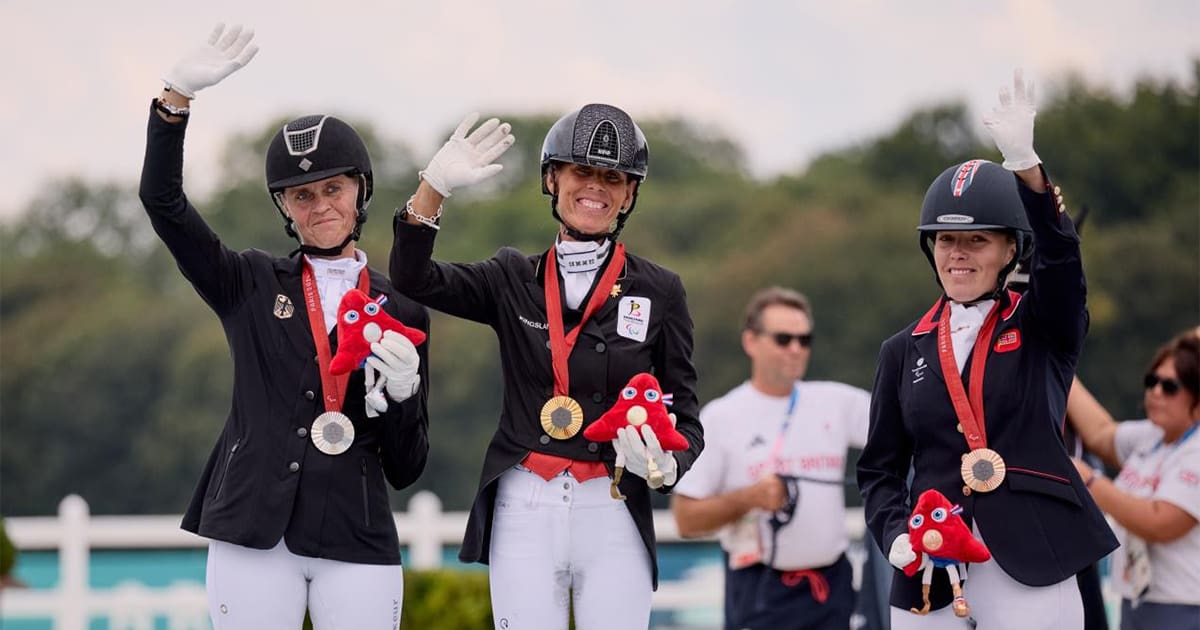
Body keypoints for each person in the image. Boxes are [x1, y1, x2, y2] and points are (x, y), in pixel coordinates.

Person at [139, 24, 430, 629]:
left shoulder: (401, 304)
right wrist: (174, 103)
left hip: (356, 531)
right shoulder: (246, 282)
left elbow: (407, 466)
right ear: (283, 208)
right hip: (251, 530)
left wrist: (402, 396)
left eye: (332, 188)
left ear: (360, 191)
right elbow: (163, 204)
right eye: (300, 196)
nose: (319, 204)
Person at [389, 103, 704, 629]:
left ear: (630, 194)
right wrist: (433, 190)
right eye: (581, 171)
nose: (595, 188)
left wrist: (672, 464)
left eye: (613, 178)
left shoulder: (660, 289)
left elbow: (686, 417)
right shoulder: (511, 276)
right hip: (526, 502)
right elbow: (412, 278)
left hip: (613, 502)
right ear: (553, 179)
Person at [856, 70, 1118, 630]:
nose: (959, 253)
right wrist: (894, 531)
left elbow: (1063, 266)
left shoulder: (1044, 326)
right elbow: (879, 469)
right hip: (930, 566)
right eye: (947, 240)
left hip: (1031, 563)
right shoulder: (902, 350)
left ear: (1009, 250)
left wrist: (1029, 173)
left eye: (977, 240)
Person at [671, 287, 870, 630]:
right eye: (783, 339)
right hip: (759, 587)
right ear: (751, 342)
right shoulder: (722, 416)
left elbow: (910, 427)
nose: (795, 349)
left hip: (831, 585)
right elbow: (686, 519)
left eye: (804, 340)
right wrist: (750, 498)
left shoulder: (836, 401)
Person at [1067, 327, 1200, 630]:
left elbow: (1162, 522)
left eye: (1170, 386)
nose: (1155, 391)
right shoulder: (1154, 436)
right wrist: (1052, 360)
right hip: (1137, 604)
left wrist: (1091, 483)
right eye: (1152, 381)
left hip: (1185, 608)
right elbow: (1100, 433)